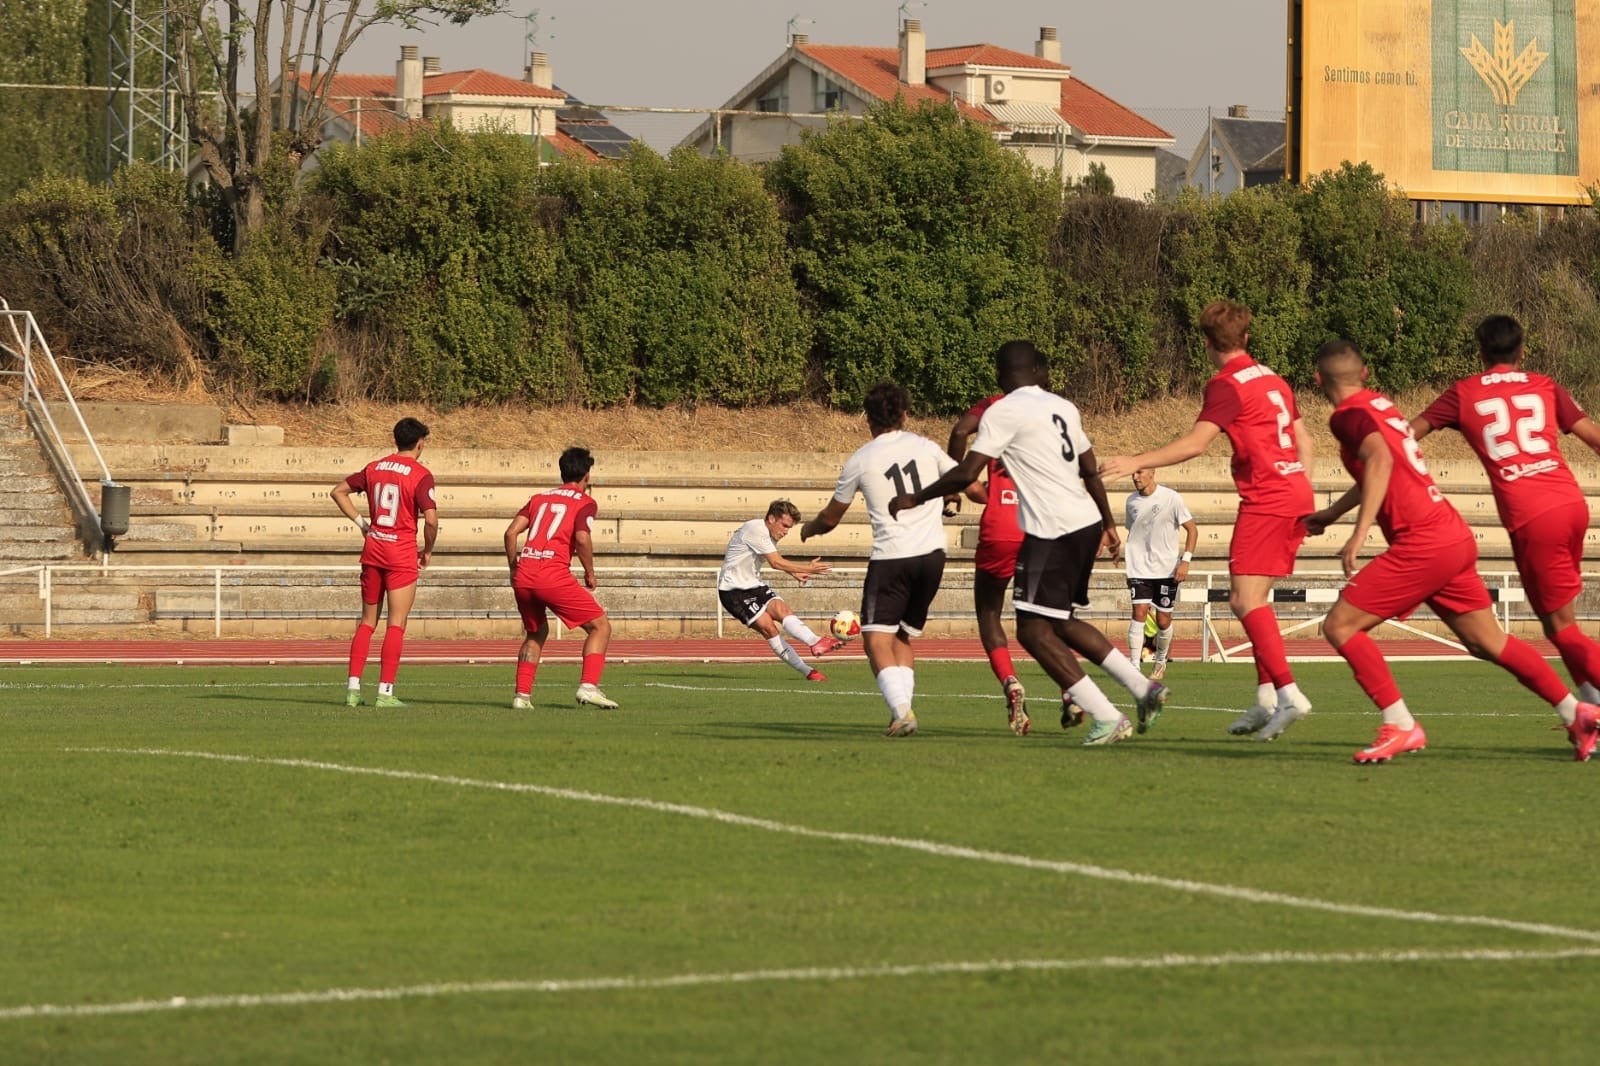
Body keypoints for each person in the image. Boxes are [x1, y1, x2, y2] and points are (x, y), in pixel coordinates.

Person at [1307, 340, 1600, 762]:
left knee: (1341, 626)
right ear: (1365, 374)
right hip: (1451, 536)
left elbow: (1380, 461)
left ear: (1318, 380)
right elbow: (1384, 462)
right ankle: (1577, 713)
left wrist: (1360, 531)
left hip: (1422, 542)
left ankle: (1401, 725)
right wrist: (1333, 513)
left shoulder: (1347, 416)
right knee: (1487, 642)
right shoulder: (1381, 407)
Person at [889, 340, 1168, 746]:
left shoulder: (1003, 411)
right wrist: (1108, 522)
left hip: (1051, 530)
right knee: (1060, 622)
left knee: (1033, 631)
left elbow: (966, 471)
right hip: (1083, 523)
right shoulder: (1063, 406)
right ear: (1037, 370)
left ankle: (1108, 717)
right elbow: (1089, 468)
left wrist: (917, 497)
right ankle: (1144, 689)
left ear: (1000, 375)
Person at [1100, 299, 1315, 742]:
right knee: (1256, 601)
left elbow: (1196, 444)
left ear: (1205, 343)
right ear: (1246, 337)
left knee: (1243, 601)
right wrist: (1303, 494)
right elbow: (1305, 441)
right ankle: (1266, 698)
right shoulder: (1273, 378)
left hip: (1267, 496)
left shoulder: (1226, 384)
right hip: (1295, 490)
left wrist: (1135, 460)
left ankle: (1289, 694)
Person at [1411, 314, 1600, 748]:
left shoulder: (1464, 393)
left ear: (1480, 353)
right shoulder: (1545, 386)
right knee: (1560, 625)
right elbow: (1593, 437)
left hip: (1533, 515)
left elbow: (1408, 434)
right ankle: (1592, 710)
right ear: (1523, 350)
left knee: (1563, 630)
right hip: (1571, 503)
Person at [800, 382, 955, 737]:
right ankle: (902, 710)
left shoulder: (861, 459)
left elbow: (830, 518)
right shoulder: (926, 446)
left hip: (892, 558)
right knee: (901, 636)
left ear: (867, 418)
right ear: (905, 414)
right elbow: (962, 478)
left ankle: (902, 712)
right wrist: (955, 497)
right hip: (933, 556)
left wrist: (809, 528)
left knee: (874, 638)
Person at [331, 416, 438, 708]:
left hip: (373, 549)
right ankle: (385, 692)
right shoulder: (421, 474)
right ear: (419, 443)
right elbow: (431, 520)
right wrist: (428, 550)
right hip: (400, 553)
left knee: (367, 622)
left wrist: (362, 524)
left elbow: (337, 491)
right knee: (396, 623)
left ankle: (352, 690)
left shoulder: (374, 467)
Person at [503, 447, 618, 710]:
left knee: (536, 633)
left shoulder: (539, 499)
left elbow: (510, 533)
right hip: (551, 574)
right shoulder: (585, 502)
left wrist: (513, 568)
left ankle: (521, 696)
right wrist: (589, 572)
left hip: (524, 575)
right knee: (600, 627)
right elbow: (582, 538)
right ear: (587, 476)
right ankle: (588, 686)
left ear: (562, 472)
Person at [947, 390, 1030, 733]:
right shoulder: (1054, 410)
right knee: (1046, 621)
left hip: (1001, 527)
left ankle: (1009, 679)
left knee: (989, 612)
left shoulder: (995, 406)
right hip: (1040, 527)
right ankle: (1072, 690)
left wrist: (952, 489)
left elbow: (959, 432)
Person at [717, 500, 844, 681]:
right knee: (769, 628)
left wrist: (794, 572)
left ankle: (815, 642)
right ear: (771, 518)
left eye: (789, 528)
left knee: (782, 610)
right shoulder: (756, 529)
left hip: (754, 584)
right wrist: (807, 569)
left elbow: (774, 558)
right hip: (733, 591)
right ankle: (808, 671)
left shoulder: (769, 535)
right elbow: (775, 562)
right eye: (784, 525)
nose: (786, 532)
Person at [1123, 468, 1198, 681]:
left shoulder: (1171, 498)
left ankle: (1160, 660)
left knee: (1163, 620)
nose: (1135, 477)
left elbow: (1192, 529)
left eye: (1140, 472)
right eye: (1133, 473)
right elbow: (1133, 534)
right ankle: (1134, 666)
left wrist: (1186, 561)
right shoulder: (1131, 501)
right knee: (1139, 612)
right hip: (1139, 567)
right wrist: (1130, 566)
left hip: (1166, 568)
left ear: (1152, 473)